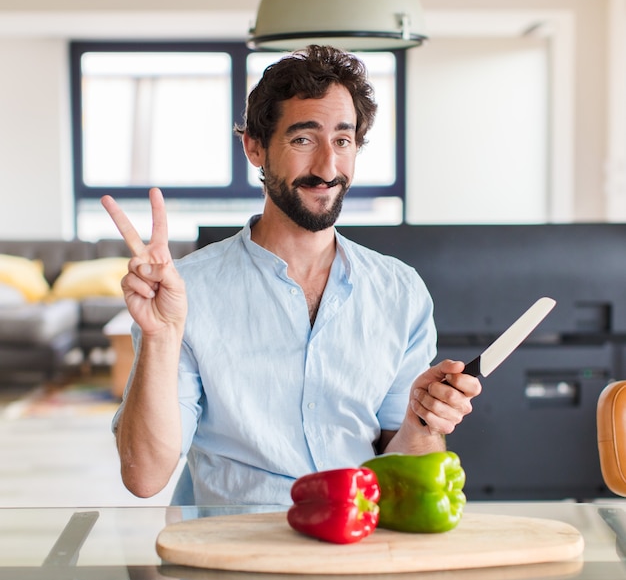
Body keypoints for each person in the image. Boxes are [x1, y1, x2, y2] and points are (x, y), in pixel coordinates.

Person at [102, 45, 482, 506]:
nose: (327, 168)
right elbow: (144, 477)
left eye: (342, 141)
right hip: (232, 555)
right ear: (255, 147)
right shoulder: (188, 291)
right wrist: (161, 338)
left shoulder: (400, 292)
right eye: (304, 139)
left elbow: (397, 462)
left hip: (355, 544)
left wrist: (422, 423)